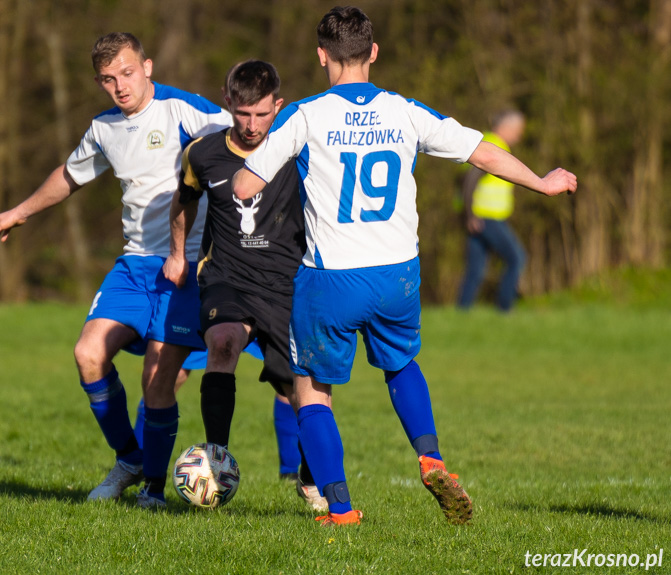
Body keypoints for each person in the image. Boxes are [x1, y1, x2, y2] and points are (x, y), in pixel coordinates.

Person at [233, 6, 577, 526]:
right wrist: (543, 182)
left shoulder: (304, 115)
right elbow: (482, 152)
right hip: (398, 273)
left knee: (310, 389)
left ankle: (341, 510)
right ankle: (431, 456)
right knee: (399, 363)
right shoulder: (405, 111)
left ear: (321, 55)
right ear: (373, 52)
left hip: (332, 277)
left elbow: (245, 186)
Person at [0, 32, 232, 509]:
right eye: (107, 79)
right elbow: (69, 176)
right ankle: (129, 459)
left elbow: (245, 139)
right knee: (88, 353)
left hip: (185, 266)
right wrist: (19, 212)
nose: (119, 86)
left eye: (127, 73)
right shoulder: (105, 128)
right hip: (134, 265)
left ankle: (154, 492)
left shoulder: (188, 112)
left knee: (159, 378)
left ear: (148, 67)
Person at [163, 60, 326, 511]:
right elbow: (184, 202)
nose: (252, 125)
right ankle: (215, 461)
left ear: (279, 105)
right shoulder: (202, 153)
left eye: (262, 114)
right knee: (222, 342)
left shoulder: (300, 150)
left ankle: (312, 477)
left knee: (301, 388)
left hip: (287, 282)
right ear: (227, 101)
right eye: (242, 114)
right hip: (226, 277)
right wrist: (178, 254)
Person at [457, 109, 528, 311]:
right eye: (518, 130)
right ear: (506, 127)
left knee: (476, 269)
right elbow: (471, 179)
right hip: (485, 217)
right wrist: (471, 215)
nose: (519, 136)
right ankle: (504, 309)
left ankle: (462, 312)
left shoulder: (480, 141)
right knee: (517, 258)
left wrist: (467, 214)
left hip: (477, 216)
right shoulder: (494, 147)